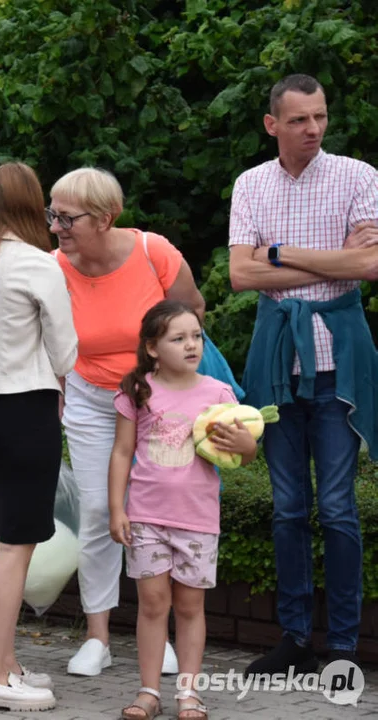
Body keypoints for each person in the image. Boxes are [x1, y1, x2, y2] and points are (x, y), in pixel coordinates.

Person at [228, 74, 378, 674]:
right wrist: (330, 260)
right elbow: (240, 276)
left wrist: (277, 253)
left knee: (338, 508)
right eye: (298, 120)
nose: (312, 129)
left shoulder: (358, 176)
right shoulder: (251, 184)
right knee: (287, 507)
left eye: (319, 117)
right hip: (277, 360)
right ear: (272, 125)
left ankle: (342, 644)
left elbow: (368, 264)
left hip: (339, 359)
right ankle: (293, 638)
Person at [49, 167, 206, 676]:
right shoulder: (54, 267)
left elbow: (192, 313)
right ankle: (97, 637)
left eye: (66, 217)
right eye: (52, 213)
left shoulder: (151, 252)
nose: (55, 226)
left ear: (105, 218)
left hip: (157, 400)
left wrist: (173, 379)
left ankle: (154, 635)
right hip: (93, 399)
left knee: (154, 513)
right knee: (99, 511)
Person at [0, 163, 77, 712]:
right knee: (14, 548)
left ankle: (3, 663)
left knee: (10, 542)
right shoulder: (38, 263)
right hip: (24, 408)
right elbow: (66, 353)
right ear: (35, 206)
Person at [108, 300, 257, 720]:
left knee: (190, 607)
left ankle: (189, 694)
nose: (192, 345)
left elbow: (242, 455)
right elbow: (121, 453)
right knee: (153, 604)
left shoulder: (219, 394)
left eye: (197, 336)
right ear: (153, 347)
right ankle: (148, 692)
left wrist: (248, 447)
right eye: (179, 338)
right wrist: (116, 509)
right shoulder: (137, 390)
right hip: (146, 517)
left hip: (197, 519)